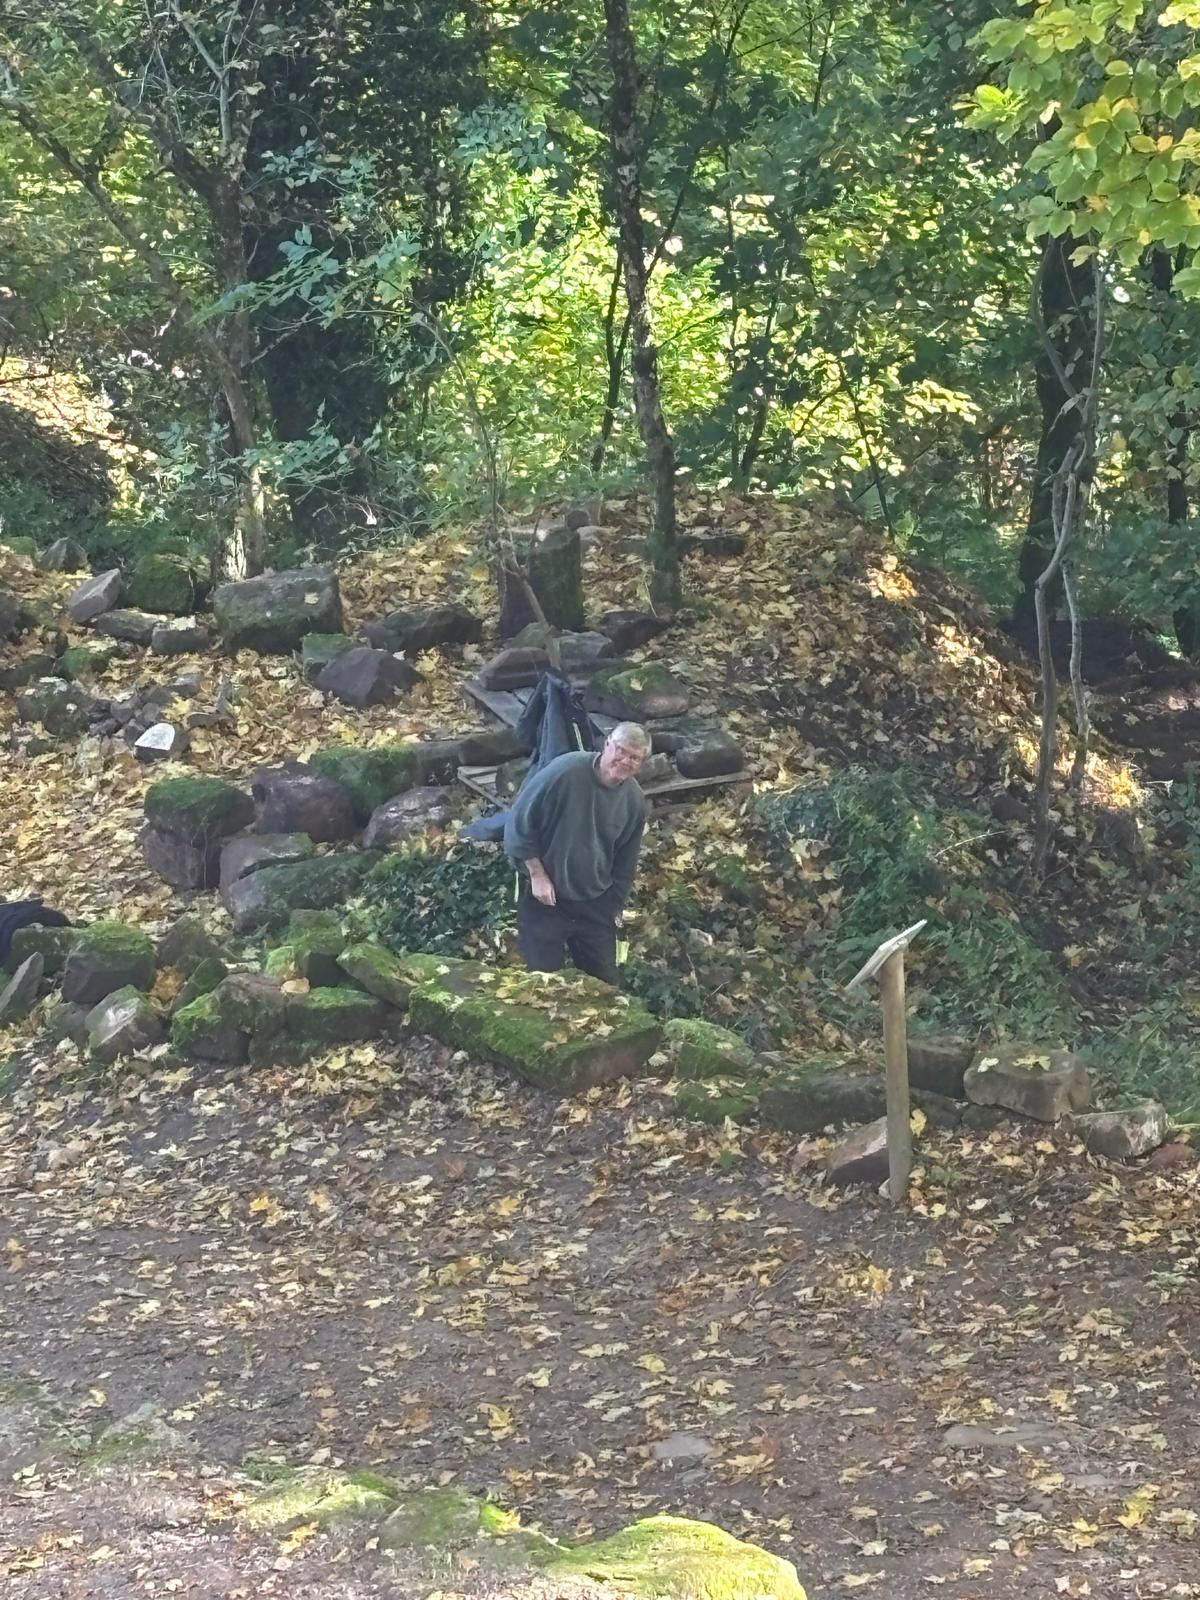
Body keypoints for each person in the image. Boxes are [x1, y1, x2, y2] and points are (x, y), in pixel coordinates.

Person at [503, 722, 649, 985]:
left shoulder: (634, 800)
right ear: (606, 745)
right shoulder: (565, 771)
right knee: (541, 983)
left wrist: (614, 905)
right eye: (621, 750)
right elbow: (520, 822)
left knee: (604, 985)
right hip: (548, 897)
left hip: (595, 901)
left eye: (634, 758)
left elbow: (625, 861)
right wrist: (536, 874)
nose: (625, 761)